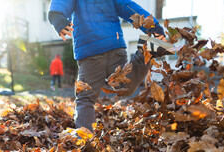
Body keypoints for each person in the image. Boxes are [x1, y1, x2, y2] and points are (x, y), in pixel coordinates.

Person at [48, 0, 172, 132]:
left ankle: (85, 139)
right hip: (114, 46)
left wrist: (57, 16)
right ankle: (146, 52)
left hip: (90, 50)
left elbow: (61, 2)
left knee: (86, 99)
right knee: (124, 86)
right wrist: (153, 26)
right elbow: (128, 7)